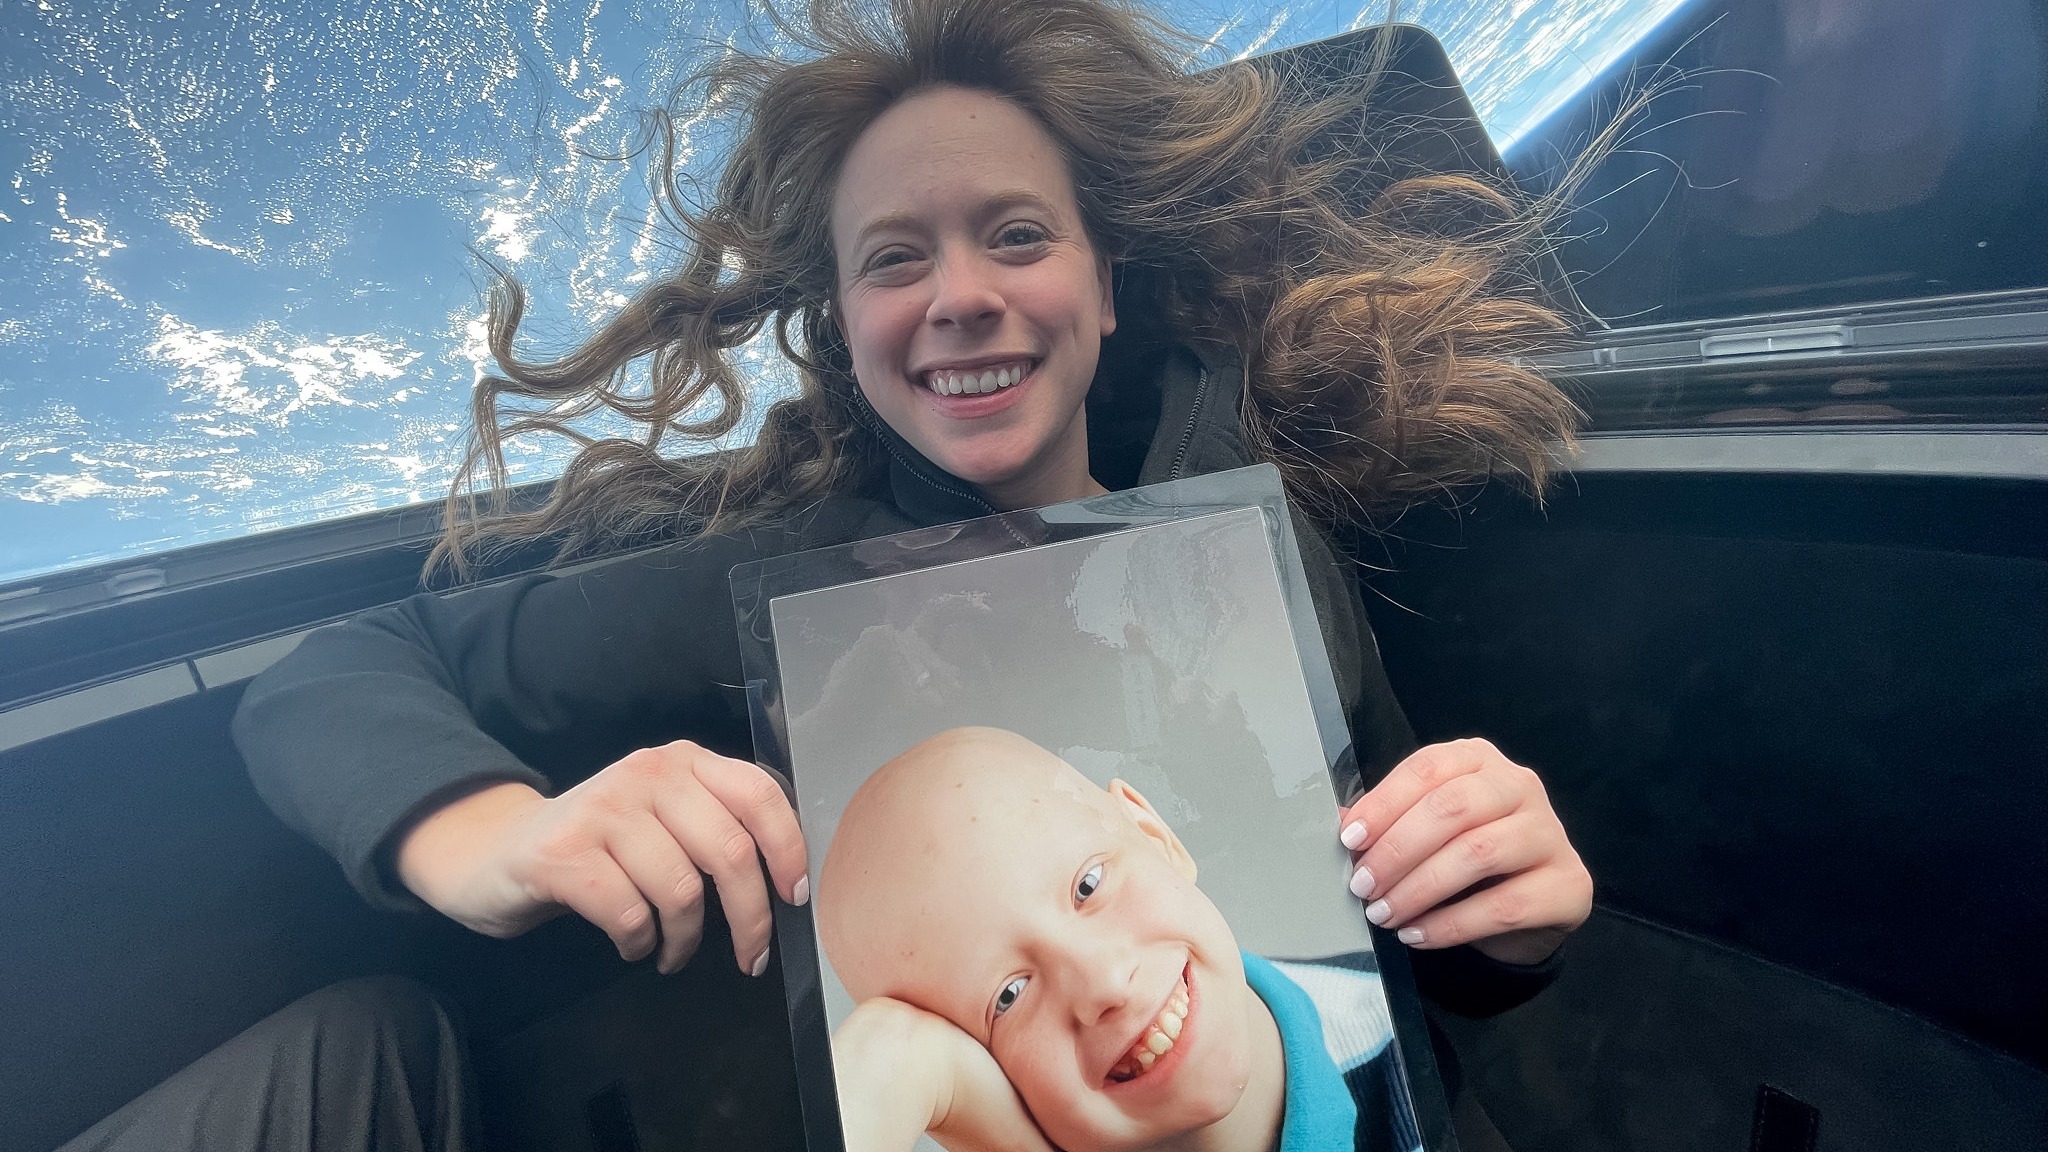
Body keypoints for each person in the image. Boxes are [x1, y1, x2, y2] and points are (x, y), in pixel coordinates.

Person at [78, 0, 1602, 1148]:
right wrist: (503, 844)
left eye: (1015, 232)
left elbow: (1423, 957)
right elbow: (328, 676)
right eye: (892, 258)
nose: (958, 296)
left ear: (1105, 283)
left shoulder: (1265, 544)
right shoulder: (783, 583)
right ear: (844, 327)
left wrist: (1507, 914)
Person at [816, 727, 1423, 1152]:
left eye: (1087, 885)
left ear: (1153, 833)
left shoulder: (1406, 1018)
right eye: (1008, 996)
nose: (1104, 982)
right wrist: (897, 1060)